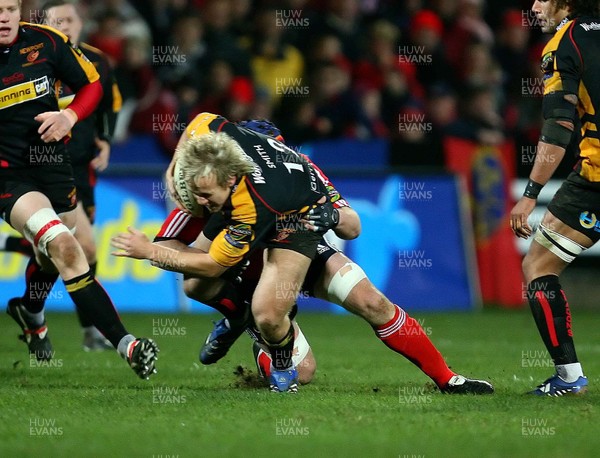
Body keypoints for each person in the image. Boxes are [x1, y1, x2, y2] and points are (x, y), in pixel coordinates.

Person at [113, 114, 494, 395]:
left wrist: (328, 213)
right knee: (199, 286)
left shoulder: (292, 177)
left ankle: (447, 378)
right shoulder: (208, 181)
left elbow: (352, 225)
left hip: (294, 242)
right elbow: (200, 126)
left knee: (369, 303)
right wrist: (174, 178)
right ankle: (242, 318)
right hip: (249, 255)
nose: (279, 152)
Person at [0, 0, 157, 379]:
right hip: (10, 177)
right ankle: (128, 344)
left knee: (77, 250)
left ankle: (31, 312)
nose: (2, 18)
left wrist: (69, 115)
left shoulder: (48, 43)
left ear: (20, 10)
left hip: (55, 166)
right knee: (65, 247)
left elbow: (92, 86)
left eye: (8, 9)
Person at [509, 0, 600, 396]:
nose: (534, 6)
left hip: (596, 178)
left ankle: (568, 377)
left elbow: (559, 126)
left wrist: (530, 195)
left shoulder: (564, 43)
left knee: (539, 266)